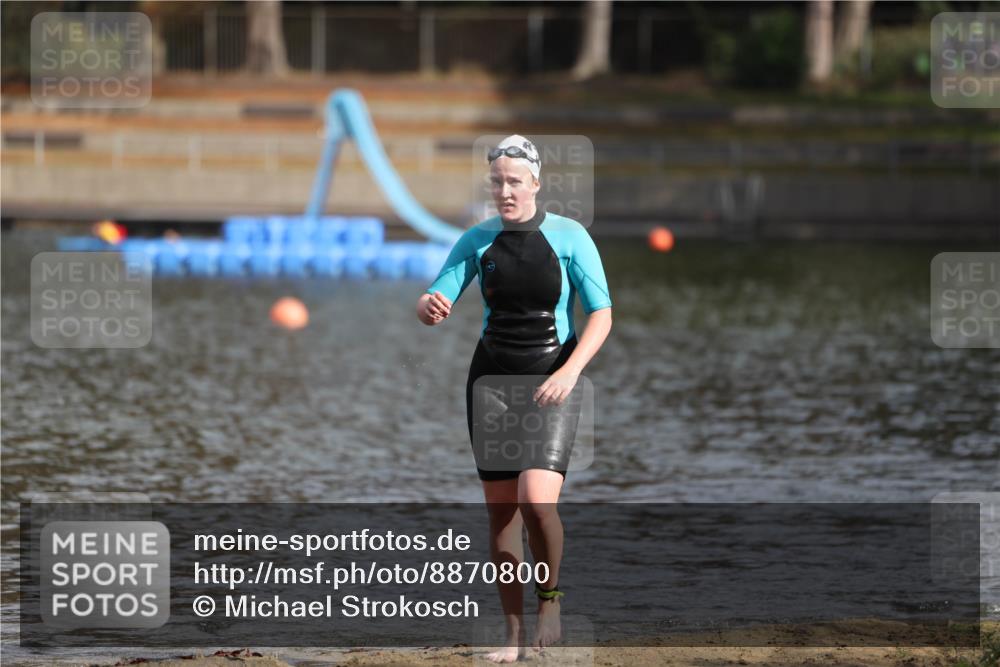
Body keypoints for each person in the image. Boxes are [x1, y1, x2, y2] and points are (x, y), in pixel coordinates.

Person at [415, 135, 613, 663]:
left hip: (552, 381)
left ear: (535, 184)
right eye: (497, 182)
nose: (505, 191)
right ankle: (512, 637)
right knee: (502, 515)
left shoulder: (570, 237)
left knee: (536, 501)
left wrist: (572, 372)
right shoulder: (476, 240)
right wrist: (429, 307)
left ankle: (550, 601)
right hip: (491, 386)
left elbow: (601, 314)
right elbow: (437, 295)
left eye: (514, 182)